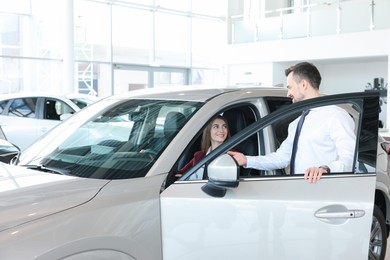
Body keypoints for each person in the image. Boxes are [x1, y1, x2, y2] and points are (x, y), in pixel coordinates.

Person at [228, 61, 356, 184]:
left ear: (304, 84)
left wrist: (326, 169)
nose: (288, 93)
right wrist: (246, 160)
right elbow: (281, 158)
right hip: (299, 192)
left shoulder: (335, 115)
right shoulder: (296, 123)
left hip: (325, 191)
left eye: (290, 87)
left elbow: (349, 157)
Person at [177, 115, 231, 180]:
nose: (221, 130)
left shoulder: (232, 155)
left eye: (224, 126)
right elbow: (181, 173)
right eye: (216, 126)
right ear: (208, 130)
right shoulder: (199, 155)